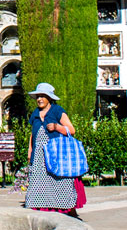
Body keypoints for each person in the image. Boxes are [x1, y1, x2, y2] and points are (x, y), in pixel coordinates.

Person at [24, 83, 86, 219]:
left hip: (55, 153)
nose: (39, 99)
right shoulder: (35, 113)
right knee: (39, 181)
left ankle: (66, 208)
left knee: (59, 180)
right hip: (39, 154)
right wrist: (30, 150)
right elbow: (32, 134)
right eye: (38, 96)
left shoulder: (57, 111)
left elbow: (72, 129)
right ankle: (43, 209)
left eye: (42, 96)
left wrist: (57, 127)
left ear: (49, 98)